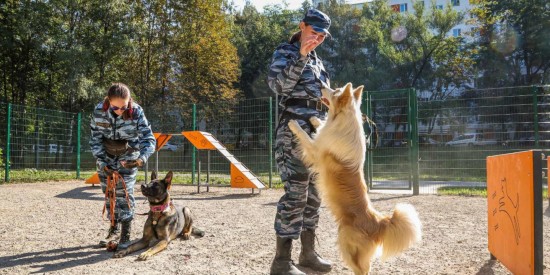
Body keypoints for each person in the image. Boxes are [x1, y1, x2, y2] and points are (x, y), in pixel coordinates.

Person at [267, 9, 333, 275]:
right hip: (293, 132)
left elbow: (322, 94)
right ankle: (282, 262)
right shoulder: (285, 52)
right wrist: (301, 56)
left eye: (322, 36)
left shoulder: (319, 62)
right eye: (313, 32)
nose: (316, 38)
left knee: (315, 196)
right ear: (302, 26)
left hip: (317, 135)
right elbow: (278, 86)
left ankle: (307, 254)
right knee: (296, 195)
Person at [90, 83, 156, 249]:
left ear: (129, 102)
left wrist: (141, 159)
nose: (120, 111)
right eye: (115, 107)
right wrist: (101, 161)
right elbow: (95, 139)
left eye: (124, 107)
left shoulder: (136, 112)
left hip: (128, 156)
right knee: (109, 193)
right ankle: (114, 229)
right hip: (106, 156)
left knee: (124, 193)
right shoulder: (99, 111)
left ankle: (125, 234)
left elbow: (149, 139)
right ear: (108, 101)